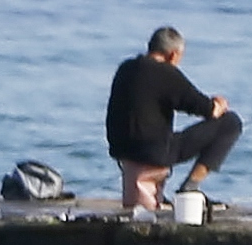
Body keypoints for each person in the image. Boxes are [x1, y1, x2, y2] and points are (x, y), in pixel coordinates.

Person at [103, 27, 242, 212]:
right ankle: (190, 187)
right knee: (230, 123)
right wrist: (218, 104)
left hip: (123, 152)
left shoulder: (125, 69)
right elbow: (205, 109)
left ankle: (156, 191)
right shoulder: (166, 73)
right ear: (173, 54)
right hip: (154, 152)